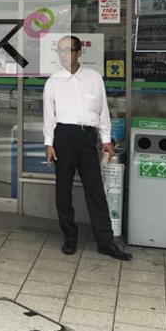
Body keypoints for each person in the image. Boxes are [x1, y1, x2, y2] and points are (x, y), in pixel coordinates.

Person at [44, 35, 132, 261]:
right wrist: (49, 144)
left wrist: (105, 138)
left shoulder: (94, 78)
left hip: (86, 137)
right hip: (63, 137)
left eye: (68, 50)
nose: (63, 54)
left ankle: (105, 242)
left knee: (95, 190)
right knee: (63, 191)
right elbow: (49, 117)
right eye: (60, 50)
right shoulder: (53, 81)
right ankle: (69, 238)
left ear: (78, 52)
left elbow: (102, 111)